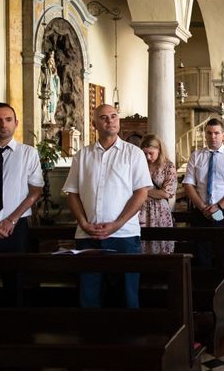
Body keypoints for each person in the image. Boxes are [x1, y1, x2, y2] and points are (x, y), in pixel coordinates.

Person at [63, 104, 152, 308]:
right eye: (104, 117)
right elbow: (72, 193)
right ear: (95, 124)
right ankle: (91, 337)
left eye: (113, 116)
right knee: (89, 293)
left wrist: (117, 224)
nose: (110, 121)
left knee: (127, 294)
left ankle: (129, 338)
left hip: (124, 235)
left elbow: (141, 193)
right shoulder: (82, 155)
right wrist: (84, 223)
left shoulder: (133, 154)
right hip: (88, 235)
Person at [0, 103, 44, 306]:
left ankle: (16, 332)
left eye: (8, 120)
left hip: (16, 229)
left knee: (15, 284)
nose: (3, 124)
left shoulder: (28, 154)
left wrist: (12, 219)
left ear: (16, 123)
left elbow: (35, 191)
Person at [182, 118, 224, 285]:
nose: (213, 137)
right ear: (205, 135)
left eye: (216, 133)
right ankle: (205, 292)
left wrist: (218, 206)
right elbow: (188, 184)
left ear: (223, 135)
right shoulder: (196, 156)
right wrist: (202, 207)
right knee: (201, 253)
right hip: (201, 211)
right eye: (209, 133)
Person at [138, 134, 177, 254]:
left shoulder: (168, 166)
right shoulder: (139, 166)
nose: (148, 157)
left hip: (160, 211)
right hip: (141, 209)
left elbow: (167, 193)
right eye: (145, 154)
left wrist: (142, 191)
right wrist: (154, 193)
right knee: (142, 245)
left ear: (159, 150)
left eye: (151, 153)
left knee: (161, 244)